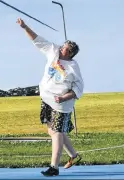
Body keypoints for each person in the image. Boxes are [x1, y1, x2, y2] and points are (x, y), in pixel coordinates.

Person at [16, 18, 84, 177]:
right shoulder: (53, 51)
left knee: (57, 132)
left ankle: (54, 167)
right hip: (47, 99)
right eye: (62, 46)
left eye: (64, 48)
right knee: (52, 131)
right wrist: (24, 27)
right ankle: (74, 155)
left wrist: (64, 98)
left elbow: (78, 89)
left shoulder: (73, 68)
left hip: (62, 104)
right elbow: (37, 40)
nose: (61, 48)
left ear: (69, 53)